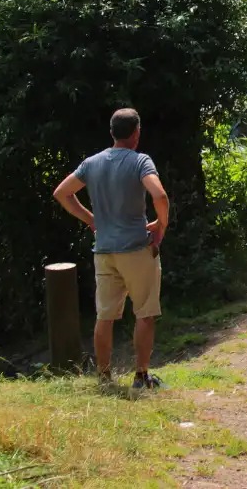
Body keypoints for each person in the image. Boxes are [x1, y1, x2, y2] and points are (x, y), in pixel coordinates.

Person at [52, 108, 169, 389]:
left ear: (111, 133)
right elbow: (160, 195)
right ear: (136, 133)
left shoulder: (91, 163)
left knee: (105, 316)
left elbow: (61, 193)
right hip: (136, 250)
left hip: (103, 251)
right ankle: (141, 376)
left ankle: (104, 378)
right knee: (144, 313)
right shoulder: (140, 161)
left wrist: (91, 220)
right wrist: (161, 225)